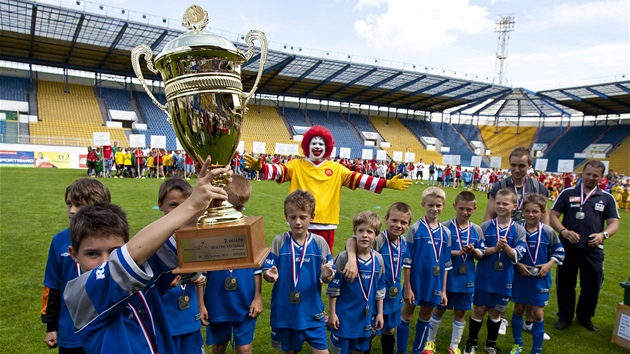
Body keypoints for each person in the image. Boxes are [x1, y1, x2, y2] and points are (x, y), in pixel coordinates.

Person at [62, 159, 230, 353]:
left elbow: (175, 244)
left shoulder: (138, 276)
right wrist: (191, 204)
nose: (105, 262)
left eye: (114, 251)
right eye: (92, 254)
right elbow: (122, 263)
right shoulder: (79, 295)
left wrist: (206, 204)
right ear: (74, 255)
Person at [245, 125, 411, 253]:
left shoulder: (336, 168)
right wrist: (261, 168)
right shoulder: (296, 165)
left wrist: (386, 183)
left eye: (321, 143)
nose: (317, 146)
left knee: (322, 265)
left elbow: (358, 179)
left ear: (327, 147)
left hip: (327, 225)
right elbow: (280, 171)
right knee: (297, 259)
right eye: (314, 143)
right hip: (301, 222)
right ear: (307, 145)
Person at [483, 147, 549, 336]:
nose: (517, 169)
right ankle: (501, 318)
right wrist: (487, 236)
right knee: (504, 276)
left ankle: (529, 321)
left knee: (531, 275)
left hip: (531, 239)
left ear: (529, 166)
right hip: (505, 237)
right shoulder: (500, 185)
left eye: (522, 165)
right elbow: (489, 212)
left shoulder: (538, 187)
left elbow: (544, 213)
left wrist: (544, 237)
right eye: (513, 165)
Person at [41, 178, 111, 353]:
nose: (72, 210)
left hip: (105, 327)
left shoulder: (113, 240)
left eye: (79, 205)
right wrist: (51, 326)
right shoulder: (59, 241)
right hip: (70, 332)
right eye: (69, 204)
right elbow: (52, 286)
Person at [262, 190, 335, 354]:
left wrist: (326, 275)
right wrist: (269, 274)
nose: (298, 222)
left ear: (312, 217)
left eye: (303, 217)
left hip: (312, 312)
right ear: (286, 216)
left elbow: (330, 275)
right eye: (293, 217)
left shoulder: (320, 243)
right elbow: (268, 270)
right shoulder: (280, 241)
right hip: (285, 312)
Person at [550, 160, 619, 332]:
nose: (590, 178)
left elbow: (614, 223)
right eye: (588, 174)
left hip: (593, 249)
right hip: (568, 247)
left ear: (601, 178)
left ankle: (584, 317)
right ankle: (565, 317)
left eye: (595, 175)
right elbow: (553, 215)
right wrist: (564, 231)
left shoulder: (607, 198)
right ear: (582, 174)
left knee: (592, 285)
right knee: (565, 284)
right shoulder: (567, 193)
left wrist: (603, 235)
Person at [202, 175, 262, 354]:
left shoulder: (248, 226)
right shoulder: (208, 228)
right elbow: (199, 272)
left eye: (241, 208)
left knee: (244, 349)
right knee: (219, 346)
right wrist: (201, 303)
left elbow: (257, 266)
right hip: (217, 300)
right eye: (233, 207)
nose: (237, 212)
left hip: (245, 299)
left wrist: (258, 297)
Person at [343, 202, 413, 354]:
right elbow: (352, 240)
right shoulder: (378, 239)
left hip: (393, 297)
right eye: (394, 220)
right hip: (374, 297)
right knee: (370, 332)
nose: (398, 225)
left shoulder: (404, 243)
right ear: (386, 219)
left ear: (408, 225)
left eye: (403, 222)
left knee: (390, 329)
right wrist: (351, 257)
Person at [464, 188, 526, 354]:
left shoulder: (519, 230)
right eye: (497, 203)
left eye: (505, 203)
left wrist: (506, 248)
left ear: (514, 206)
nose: (500, 206)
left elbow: (518, 255)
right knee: (478, 310)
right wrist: (493, 248)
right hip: (484, 277)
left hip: (505, 279)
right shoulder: (484, 227)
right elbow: (480, 253)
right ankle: (471, 343)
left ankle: (490, 345)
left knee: (495, 311)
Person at [424, 191, 484, 354]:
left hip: (467, 278)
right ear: (454, 206)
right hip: (447, 278)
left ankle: (454, 345)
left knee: (460, 311)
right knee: (440, 308)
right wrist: (458, 252)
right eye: (462, 208)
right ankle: (430, 342)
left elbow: (481, 254)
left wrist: (473, 251)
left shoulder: (477, 230)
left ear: (474, 209)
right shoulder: (445, 228)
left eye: (469, 209)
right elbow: (439, 252)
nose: (465, 212)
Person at [397, 187, 452, 354]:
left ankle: (418, 350)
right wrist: (407, 287)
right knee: (406, 316)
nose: (434, 209)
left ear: (443, 205)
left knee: (425, 317)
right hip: (415, 282)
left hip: (434, 283)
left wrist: (443, 291)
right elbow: (407, 262)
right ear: (423, 205)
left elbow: (446, 264)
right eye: (430, 205)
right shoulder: (415, 229)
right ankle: (401, 351)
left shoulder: (446, 233)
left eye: (438, 205)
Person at [509, 194, 565, 354]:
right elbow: (508, 251)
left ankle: (536, 349)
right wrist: (518, 264)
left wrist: (548, 264)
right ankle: (517, 344)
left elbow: (559, 250)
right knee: (518, 308)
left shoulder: (548, 231)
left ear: (542, 212)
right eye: (527, 211)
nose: (531, 215)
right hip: (520, 277)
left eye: (535, 211)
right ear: (522, 211)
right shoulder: (516, 229)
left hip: (541, 278)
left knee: (538, 314)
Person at [157, 178, 205, 354]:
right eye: (173, 205)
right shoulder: (152, 242)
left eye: (184, 205)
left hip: (190, 318)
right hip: (164, 321)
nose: (179, 211)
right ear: (160, 205)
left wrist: (201, 305)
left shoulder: (196, 239)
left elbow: (201, 277)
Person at [327, 211, 386, 354]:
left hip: (365, 318)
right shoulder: (343, 258)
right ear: (355, 233)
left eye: (370, 232)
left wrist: (380, 314)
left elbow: (380, 290)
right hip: (344, 318)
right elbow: (334, 289)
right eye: (361, 231)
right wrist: (332, 313)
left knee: (360, 350)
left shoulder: (378, 260)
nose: (365, 235)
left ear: (376, 235)